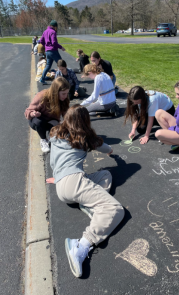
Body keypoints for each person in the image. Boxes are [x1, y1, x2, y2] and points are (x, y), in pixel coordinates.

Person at [46, 104, 124, 278]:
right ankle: (80, 245)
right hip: (74, 181)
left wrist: (58, 178)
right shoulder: (86, 137)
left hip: (62, 186)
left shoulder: (55, 133)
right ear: (85, 121)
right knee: (115, 210)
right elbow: (106, 149)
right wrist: (112, 152)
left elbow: (54, 161)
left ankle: (89, 206)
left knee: (105, 175)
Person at [24, 77, 70, 153]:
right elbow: (27, 112)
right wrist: (34, 113)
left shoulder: (64, 99)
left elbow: (66, 115)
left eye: (67, 93)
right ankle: (43, 139)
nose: (65, 96)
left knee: (60, 131)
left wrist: (69, 124)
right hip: (38, 120)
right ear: (56, 91)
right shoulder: (42, 96)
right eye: (63, 94)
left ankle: (50, 137)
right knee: (38, 122)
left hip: (51, 121)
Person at [39, 20, 66, 85]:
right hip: (53, 51)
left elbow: (41, 40)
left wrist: (46, 46)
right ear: (55, 26)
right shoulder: (53, 32)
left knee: (48, 66)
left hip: (47, 51)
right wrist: (61, 47)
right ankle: (65, 78)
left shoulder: (45, 31)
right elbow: (54, 42)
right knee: (61, 64)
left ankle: (42, 79)